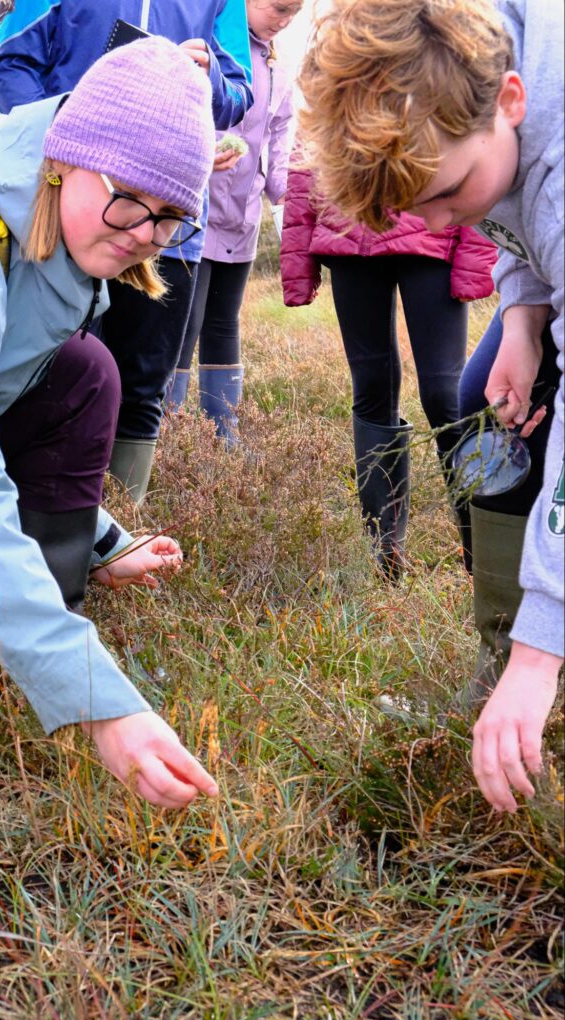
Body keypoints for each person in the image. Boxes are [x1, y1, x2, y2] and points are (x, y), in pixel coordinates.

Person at [0, 18, 220, 810]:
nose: (146, 236)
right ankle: (56, 665)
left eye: (172, 216)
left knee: (85, 373)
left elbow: (2, 392)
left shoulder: (50, 223)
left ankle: (45, 624)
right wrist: (103, 706)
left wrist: (96, 536)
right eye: (129, 201)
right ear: (69, 160)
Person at [296, 0, 563, 812]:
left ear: (510, 98)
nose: (445, 224)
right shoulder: (491, 104)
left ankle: (529, 670)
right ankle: (498, 667)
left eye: (445, 196)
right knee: (491, 410)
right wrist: (521, 314)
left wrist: (541, 648)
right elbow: (514, 211)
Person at [0, 0, 254, 500]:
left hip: (167, 225)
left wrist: (211, 78)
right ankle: (25, 519)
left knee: (143, 386)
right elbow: (10, 62)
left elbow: (239, 95)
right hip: (75, 207)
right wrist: (69, 141)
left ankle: (118, 530)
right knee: (51, 370)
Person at [281, 167, 497, 576]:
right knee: (372, 387)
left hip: (433, 225)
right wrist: (297, 263)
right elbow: (307, 157)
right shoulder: (334, 98)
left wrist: (475, 254)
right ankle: (384, 555)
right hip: (348, 224)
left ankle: (482, 550)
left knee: (445, 395)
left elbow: (478, 150)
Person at [173, 0, 302, 445]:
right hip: (195, 208)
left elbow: (280, 139)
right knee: (183, 323)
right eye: (278, 8)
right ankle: (164, 431)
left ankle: (222, 437)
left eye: (294, 14)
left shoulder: (280, 67)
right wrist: (199, 155)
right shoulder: (214, 42)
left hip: (241, 218)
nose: (283, 21)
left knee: (224, 322)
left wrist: (288, 195)